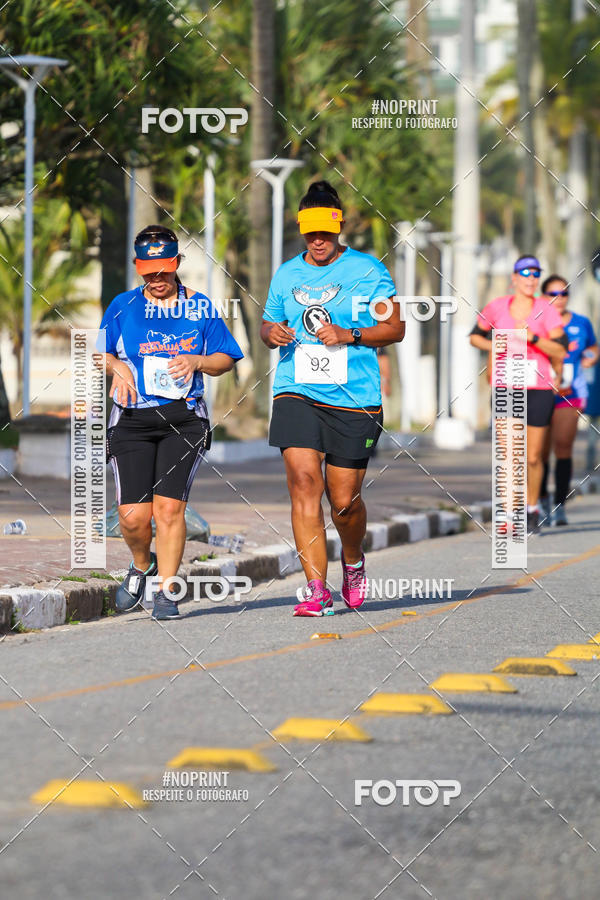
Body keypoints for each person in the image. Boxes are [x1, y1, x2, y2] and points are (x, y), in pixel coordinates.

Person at [260, 180, 404, 616]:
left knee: (344, 502)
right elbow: (267, 325)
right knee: (305, 484)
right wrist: (273, 333)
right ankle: (317, 590)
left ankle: (354, 560)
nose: (318, 241)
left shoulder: (368, 270)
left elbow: (394, 328)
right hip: (296, 391)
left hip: (354, 398)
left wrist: (350, 334)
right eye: (310, 233)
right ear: (302, 229)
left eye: (325, 232)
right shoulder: (287, 273)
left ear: (338, 227)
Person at [99, 226, 243, 620]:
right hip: (131, 420)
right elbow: (98, 351)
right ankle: (140, 564)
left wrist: (197, 361)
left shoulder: (199, 308)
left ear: (177, 263)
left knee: (168, 510)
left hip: (184, 420)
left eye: (164, 270)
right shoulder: (122, 306)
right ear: (137, 268)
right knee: (132, 517)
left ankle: (166, 591)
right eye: (149, 272)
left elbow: (226, 358)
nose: (157, 279)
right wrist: (117, 368)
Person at [469, 255, 567, 534]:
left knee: (533, 456)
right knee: (510, 453)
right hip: (506, 386)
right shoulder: (497, 307)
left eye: (536, 274)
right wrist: (493, 345)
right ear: (514, 278)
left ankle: (532, 506)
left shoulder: (546, 310)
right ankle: (510, 514)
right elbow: (475, 336)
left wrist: (533, 338)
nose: (531, 278)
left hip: (538, 389)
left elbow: (560, 350)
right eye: (525, 273)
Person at [539, 275, 599, 525]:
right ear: (544, 296)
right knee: (538, 453)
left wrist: (590, 358)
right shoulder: (536, 322)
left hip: (570, 392)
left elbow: (593, 347)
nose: (559, 299)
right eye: (553, 293)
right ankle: (540, 500)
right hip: (540, 390)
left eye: (564, 293)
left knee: (563, 446)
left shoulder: (581, 323)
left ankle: (559, 506)